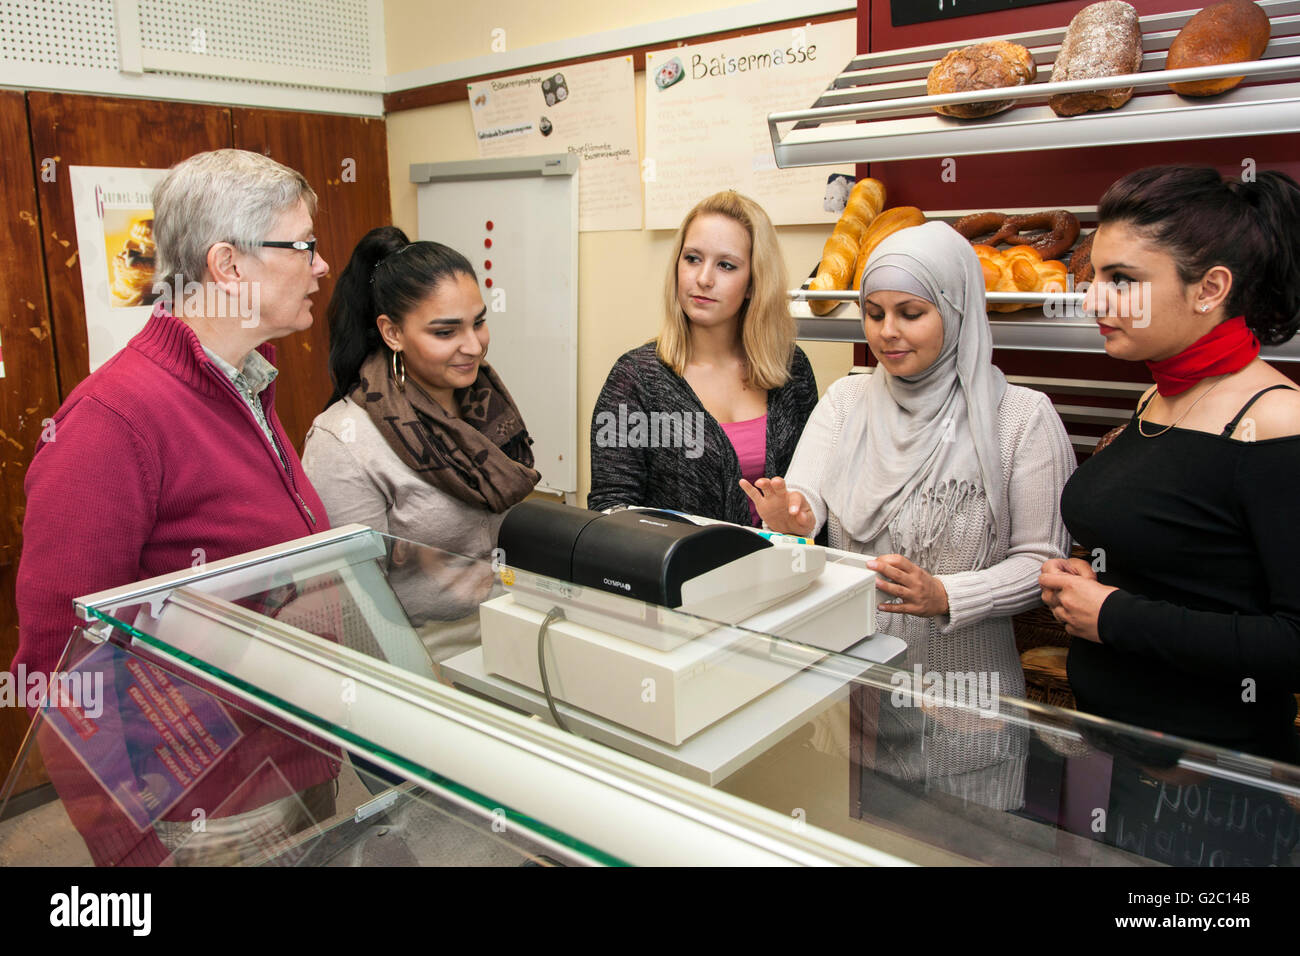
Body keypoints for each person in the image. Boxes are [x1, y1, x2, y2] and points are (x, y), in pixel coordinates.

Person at [14, 148, 338, 865]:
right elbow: (60, 668)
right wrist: (131, 855)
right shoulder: (111, 421)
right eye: (305, 246)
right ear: (229, 267)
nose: (320, 266)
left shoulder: (247, 382)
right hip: (213, 807)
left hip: (292, 761)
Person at [743, 221, 1076, 810]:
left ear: (957, 309)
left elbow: (1043, 565)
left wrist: (948, 593)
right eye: (873, 313)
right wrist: (793, 521)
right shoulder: (847, 401)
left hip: (970, 716)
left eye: (910, 312)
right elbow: (807, 499)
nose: (887, 333)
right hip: (857, 704)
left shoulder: (1022, 420)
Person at [1039, 167, 1300, 862]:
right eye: (1094, 276)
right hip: (1129, 766)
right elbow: (1190, 562)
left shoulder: (1275, 423)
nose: (1093, 298)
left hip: (1219, 797)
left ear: (1210, 288)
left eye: (1122, 279)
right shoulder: (1159, 399)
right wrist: (1094, 577)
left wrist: (1114, 613)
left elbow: (1293, 640)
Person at [302, 226, 539, 669]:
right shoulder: (345, 441)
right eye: (446, 332)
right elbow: (357, 603)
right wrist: (422, 677)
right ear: (392, 333)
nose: (474, 346)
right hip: (421, 657)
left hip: (515, 632)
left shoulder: (488, 408)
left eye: (479, 323)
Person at [588, 191, 817, 526]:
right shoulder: (635, 379)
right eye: (692, 258)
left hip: (779, 571)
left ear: (754, 282)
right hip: (675, 573)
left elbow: (813, 492)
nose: (703, 279)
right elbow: (611, 508)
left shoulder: (791, 369)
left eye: (726, 265)